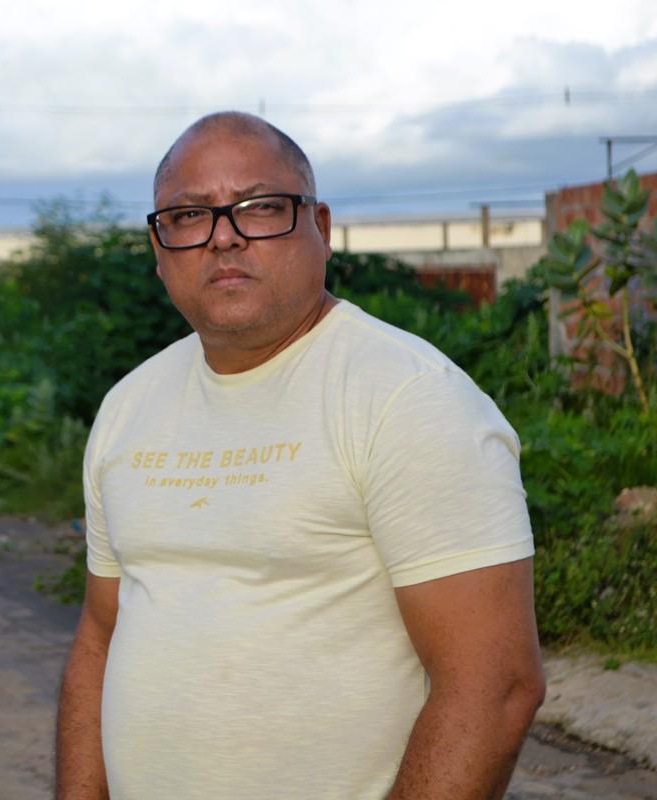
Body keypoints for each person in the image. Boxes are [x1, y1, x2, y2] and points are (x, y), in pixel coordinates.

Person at [55, 112, 546, 800]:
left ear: (320, 226)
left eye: (260, 207)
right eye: (189, 216)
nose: (224, 236)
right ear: (159, 250)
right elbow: (100, 638)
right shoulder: (128, 407)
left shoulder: (407, 399)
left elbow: (494, 686)